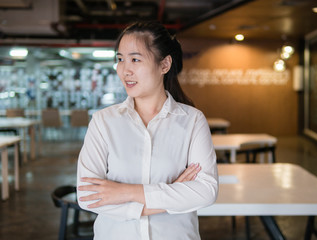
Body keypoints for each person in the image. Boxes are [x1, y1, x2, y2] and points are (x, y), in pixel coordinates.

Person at [76, 21, 218, 240]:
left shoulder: (192, 121)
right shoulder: (103, 122)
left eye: (135, 59)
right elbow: (87, 196)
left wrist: (124, 192)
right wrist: (172, 193)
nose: (125, 70)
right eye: (120, 59)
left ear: (164, 65)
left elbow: (205, 192)